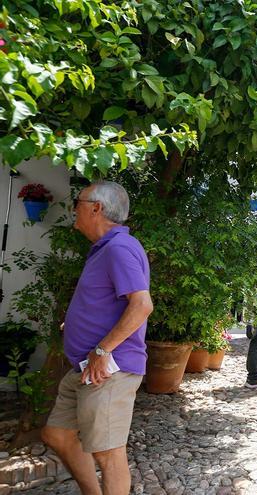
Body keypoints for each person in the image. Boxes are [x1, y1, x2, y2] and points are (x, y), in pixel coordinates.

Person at [41, 181, 153, 495]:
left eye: (78, 201)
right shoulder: (105, 249)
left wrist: (103, 349)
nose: (73, 207)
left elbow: (142, 305)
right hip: (86, 368)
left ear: (96, 208)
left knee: (108, 452)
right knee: (57, 434)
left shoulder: (118, 248)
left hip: (107, 370)